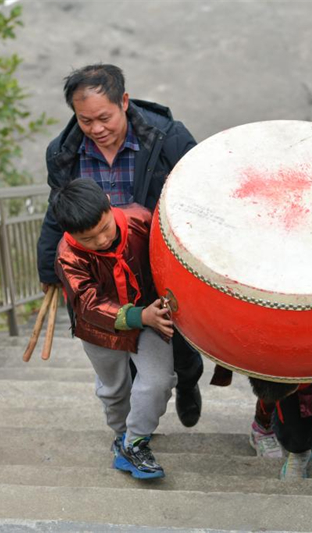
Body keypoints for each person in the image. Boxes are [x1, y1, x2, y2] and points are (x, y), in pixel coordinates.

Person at [37, 63, 203, 427]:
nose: (96, 129)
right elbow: (59, 208)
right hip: (101, 266)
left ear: (124, 102)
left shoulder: (168, 138)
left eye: (104, 118)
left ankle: (188, 382)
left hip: (156, 261)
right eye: (84, 121)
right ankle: (132, 430)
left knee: (180, 344)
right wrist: (48, 266)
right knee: (122, 340)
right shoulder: (63, 152)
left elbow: (198, 197)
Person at [53, 178, 177, 479]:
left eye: (105, 228)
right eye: (89, 239)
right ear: (70, 234)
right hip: (100, 329)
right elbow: (88, 304)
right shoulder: (67, 256)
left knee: (159, 380)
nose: (101, 241)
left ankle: (135, 441)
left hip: (151, 314)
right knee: (114, 389)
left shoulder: (142, 221)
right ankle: (122, 434)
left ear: (109, 204)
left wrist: (152, 313)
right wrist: (138, 317)